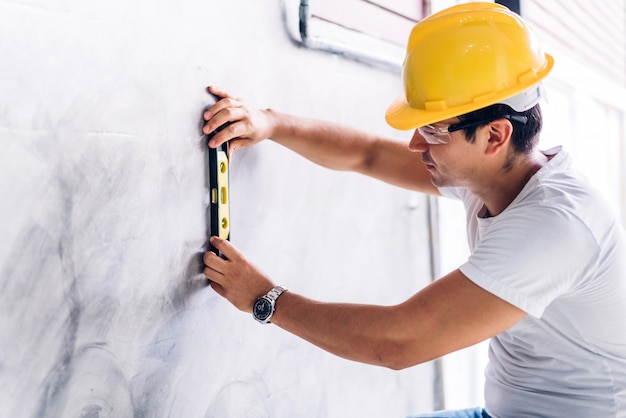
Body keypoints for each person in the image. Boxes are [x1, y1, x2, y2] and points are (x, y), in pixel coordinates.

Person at [201, 3, 626, 417]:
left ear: (495, 135)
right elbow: (367, 154)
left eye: (433, 130)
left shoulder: (555, 227)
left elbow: (398, 342)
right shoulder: (494, 176)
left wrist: (264, 298)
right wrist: (271, 123)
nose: (415, 145)